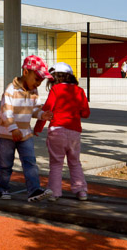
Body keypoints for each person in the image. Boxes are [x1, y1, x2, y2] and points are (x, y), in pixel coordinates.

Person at [0, 55, 54, 202]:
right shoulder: (11, 90)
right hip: (7, 135)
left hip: (25, 134)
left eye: (41, 81)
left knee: (30, 162)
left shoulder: (34, 91)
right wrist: (13, 128)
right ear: (26, 72)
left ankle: (34, 190)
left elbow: (34, 109)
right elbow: (6, 111)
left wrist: (42, 115)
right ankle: (2, 188)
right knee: (5, 164)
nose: (38, 83)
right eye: (37, 79)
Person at [34, 62, 90, 202]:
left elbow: (47, 110)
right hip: (74, 132)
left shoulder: (56, 89)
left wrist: (38, 128)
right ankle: (81, 191)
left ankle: (54, 193)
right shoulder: (79, 91)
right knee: (75, 162)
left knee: (56, 163)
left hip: (56, 131)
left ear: (56, 77)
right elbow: (86, 113)